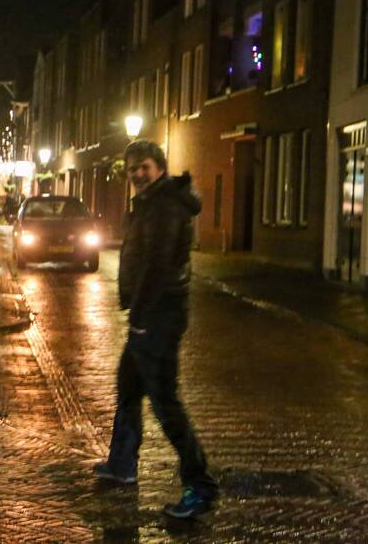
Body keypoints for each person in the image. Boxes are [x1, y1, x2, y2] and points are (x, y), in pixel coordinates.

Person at [94, 139, 218, 519]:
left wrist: (142, 317)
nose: (137, 174)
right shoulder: (151, 202)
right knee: (128, 386)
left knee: (165, 401)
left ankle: (200, 485)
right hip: (149, 315)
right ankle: (122, 463)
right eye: (132, 168)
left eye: (144, 166)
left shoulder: (165, 206)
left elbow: (159, 265)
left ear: (160, 167)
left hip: (158, 316)